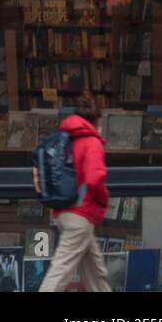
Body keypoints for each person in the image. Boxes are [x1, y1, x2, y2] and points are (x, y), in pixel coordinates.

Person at [38, 92, 111, 292]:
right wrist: (104, 199)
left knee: (96, 273)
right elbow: (95, 180)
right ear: (97, 120)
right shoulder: (92, 141)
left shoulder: (65, 138)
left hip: (65, 211)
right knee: (59, 273)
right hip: (80, 216)